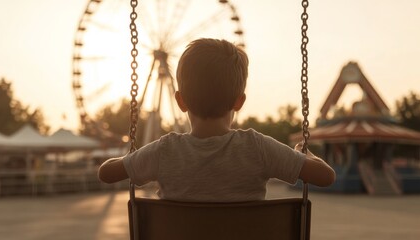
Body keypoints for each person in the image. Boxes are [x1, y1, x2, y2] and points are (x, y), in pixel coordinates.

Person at [98, 38, 335, 202]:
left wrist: (134, 156)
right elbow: (326, 177)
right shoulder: (258, 147)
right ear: (239, 102)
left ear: (180, 101)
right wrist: (305, 154)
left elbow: (106, 173)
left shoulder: (164, 151)